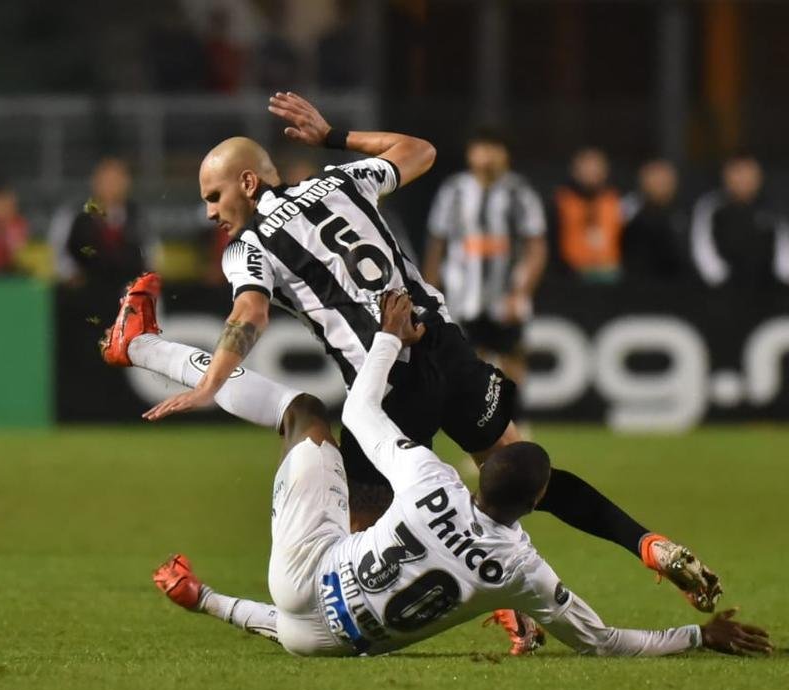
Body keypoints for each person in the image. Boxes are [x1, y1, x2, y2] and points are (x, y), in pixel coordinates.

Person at [106, 91, 720, 649]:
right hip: (449, 353)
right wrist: (333, 137)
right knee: (516, 474)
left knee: (350, 554)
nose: (211, 211)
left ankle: (456, 613)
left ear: (246, 181)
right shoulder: (341, 181)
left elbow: (250, 311)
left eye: (214, 196)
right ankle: (643, 543)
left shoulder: (250, 245)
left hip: (388, 378)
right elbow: (418, 151)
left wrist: (211, 383)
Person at [150, 292, 771, 659]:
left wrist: (389, 340)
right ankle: (202, 599)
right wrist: (698, 636)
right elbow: (604, 640)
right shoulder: (522, 572)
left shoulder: (431, 480)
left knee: (304, 414)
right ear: (532, 508)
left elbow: (362, 408)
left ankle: (148, 349)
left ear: (480, 479)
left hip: (308, 572)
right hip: (330, 642)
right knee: (313, 623)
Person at [422, 127, 546, 399]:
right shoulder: (453, 191)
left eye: (494, 148)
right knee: (469, 358)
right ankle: (482, 423)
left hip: (507, 293)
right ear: (470, 154)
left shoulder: (519, 192)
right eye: (481, 148)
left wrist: (522, 293)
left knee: (513, 355)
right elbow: (437, 244)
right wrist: (431, 291)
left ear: (506, 154)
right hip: (463, 294)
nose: (487, 155)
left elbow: (536, 247)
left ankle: (516, 419)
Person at [49, 157, 156, 292]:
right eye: (106, 180)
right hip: (85, 291)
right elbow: (59, 252)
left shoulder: (138, 216)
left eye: (117, 180)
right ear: (95, 182)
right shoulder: (74, 214)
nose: (111, 186)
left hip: (127, 291)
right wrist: (71, 276)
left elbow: (150, 252)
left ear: (127, 183)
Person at [690, 152, 789, 290]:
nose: (743, 179)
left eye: (749, 173)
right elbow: (702, 247)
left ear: (759, 176)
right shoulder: (711, 206)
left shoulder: (773, 206)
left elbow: (784, 251)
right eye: (738, 173)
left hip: (768, 288)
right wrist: (719, 280)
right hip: (724, 289)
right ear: (726, 176)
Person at [553, 147, 624, 281]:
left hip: (611, 275)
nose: (590, 172)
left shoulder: (616, 201)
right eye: (585, 168)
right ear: (574, 171)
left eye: (595, 168)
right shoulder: (560, 201)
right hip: (571, 276)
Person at [621, 159, 692, 281]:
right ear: (642, 182)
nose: (659, 183)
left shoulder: (688, 211)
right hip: (635, 284)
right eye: (654, 178)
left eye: (664, 179)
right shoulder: (626, 209)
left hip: (680, 284)